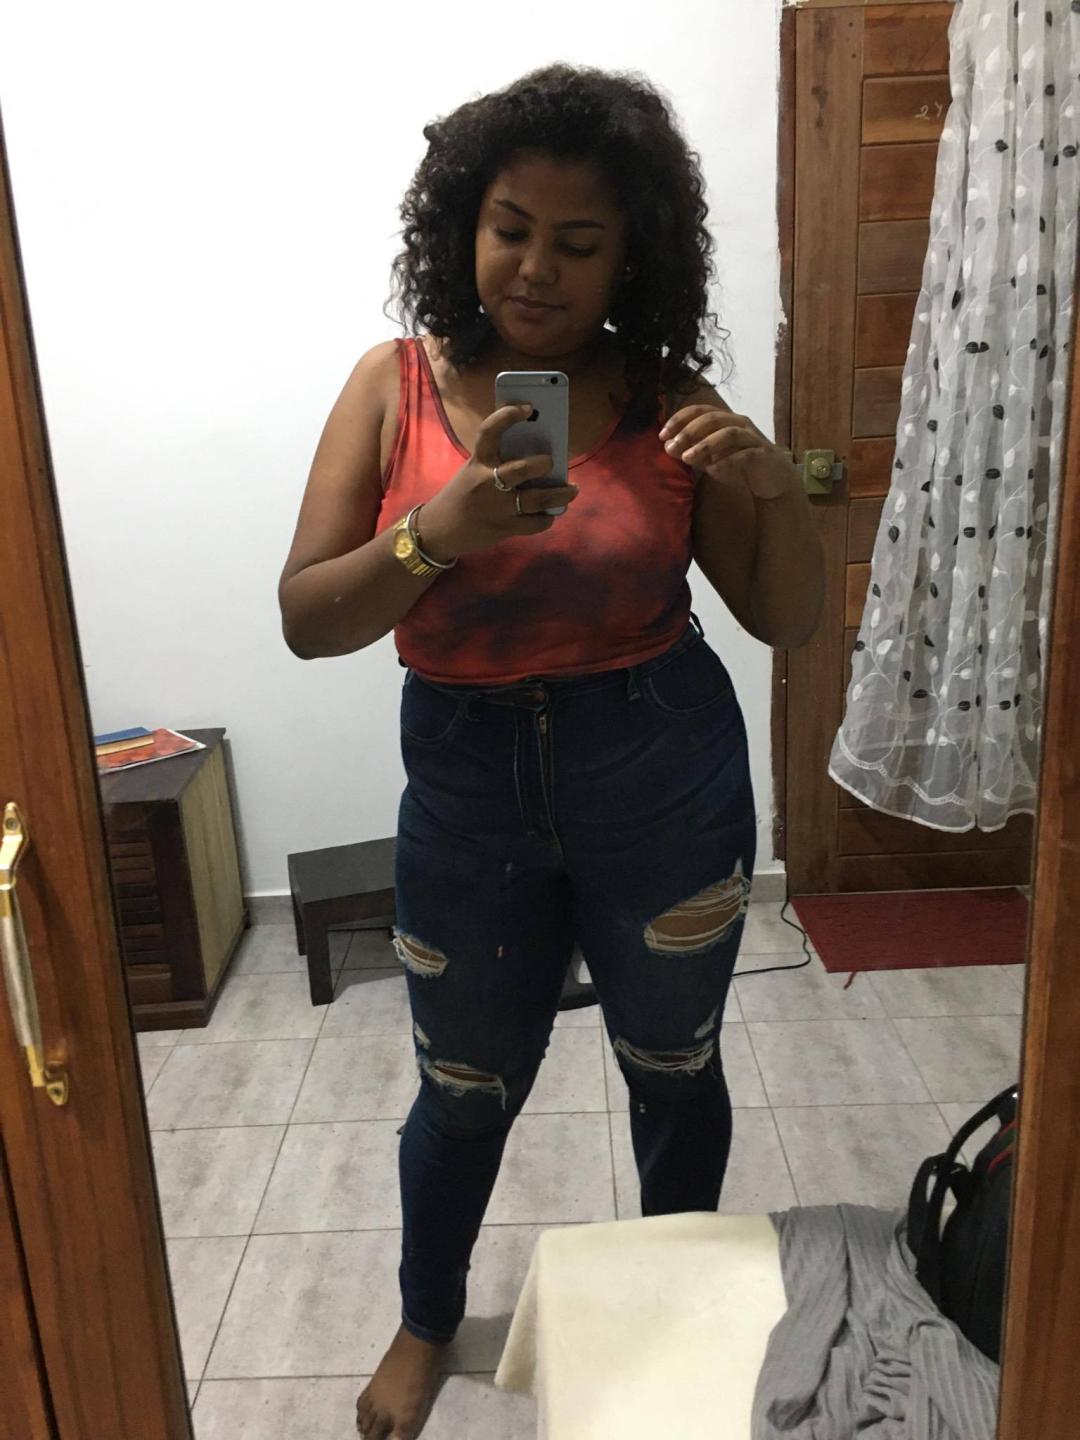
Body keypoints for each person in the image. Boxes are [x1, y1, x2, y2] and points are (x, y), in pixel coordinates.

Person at [278, 62, 824, 1440]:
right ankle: (425, 1321)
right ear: (463, 221)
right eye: (511, 227)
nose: (536, 269)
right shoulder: (392, 386)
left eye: (580, 243)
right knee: (462, 1087)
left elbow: (787, 616)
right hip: (466, 787)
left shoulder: (667, 399)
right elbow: (308, 620)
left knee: (673, 1068)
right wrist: (436, 534)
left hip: (660, 768)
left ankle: (665, 1311)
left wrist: (774, 491)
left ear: (632, 251)